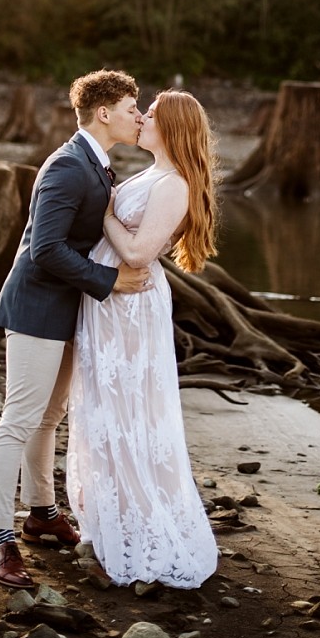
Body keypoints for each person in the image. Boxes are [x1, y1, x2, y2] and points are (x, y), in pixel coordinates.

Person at [0, 70, 149, 590]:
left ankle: (42, 514)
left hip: (66, 310)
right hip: (36, 309)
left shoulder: (97, 165)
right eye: (130, 108)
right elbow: (43, 249)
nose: (138, 116)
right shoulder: (67, 167)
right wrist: (112, 281)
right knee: (19, 419)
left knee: (49, 417)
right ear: (104, 113)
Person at [66, 88, 219, 588]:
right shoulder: (151, 173)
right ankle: (111, 513)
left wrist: (106, 210)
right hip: (109, 303)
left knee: (129, 405)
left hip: (130, 305)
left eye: (150, 115)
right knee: (106, 403)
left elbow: (137, 253)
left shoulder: (175, 183)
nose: (142, 119)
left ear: (172, 127)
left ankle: (141, 522)